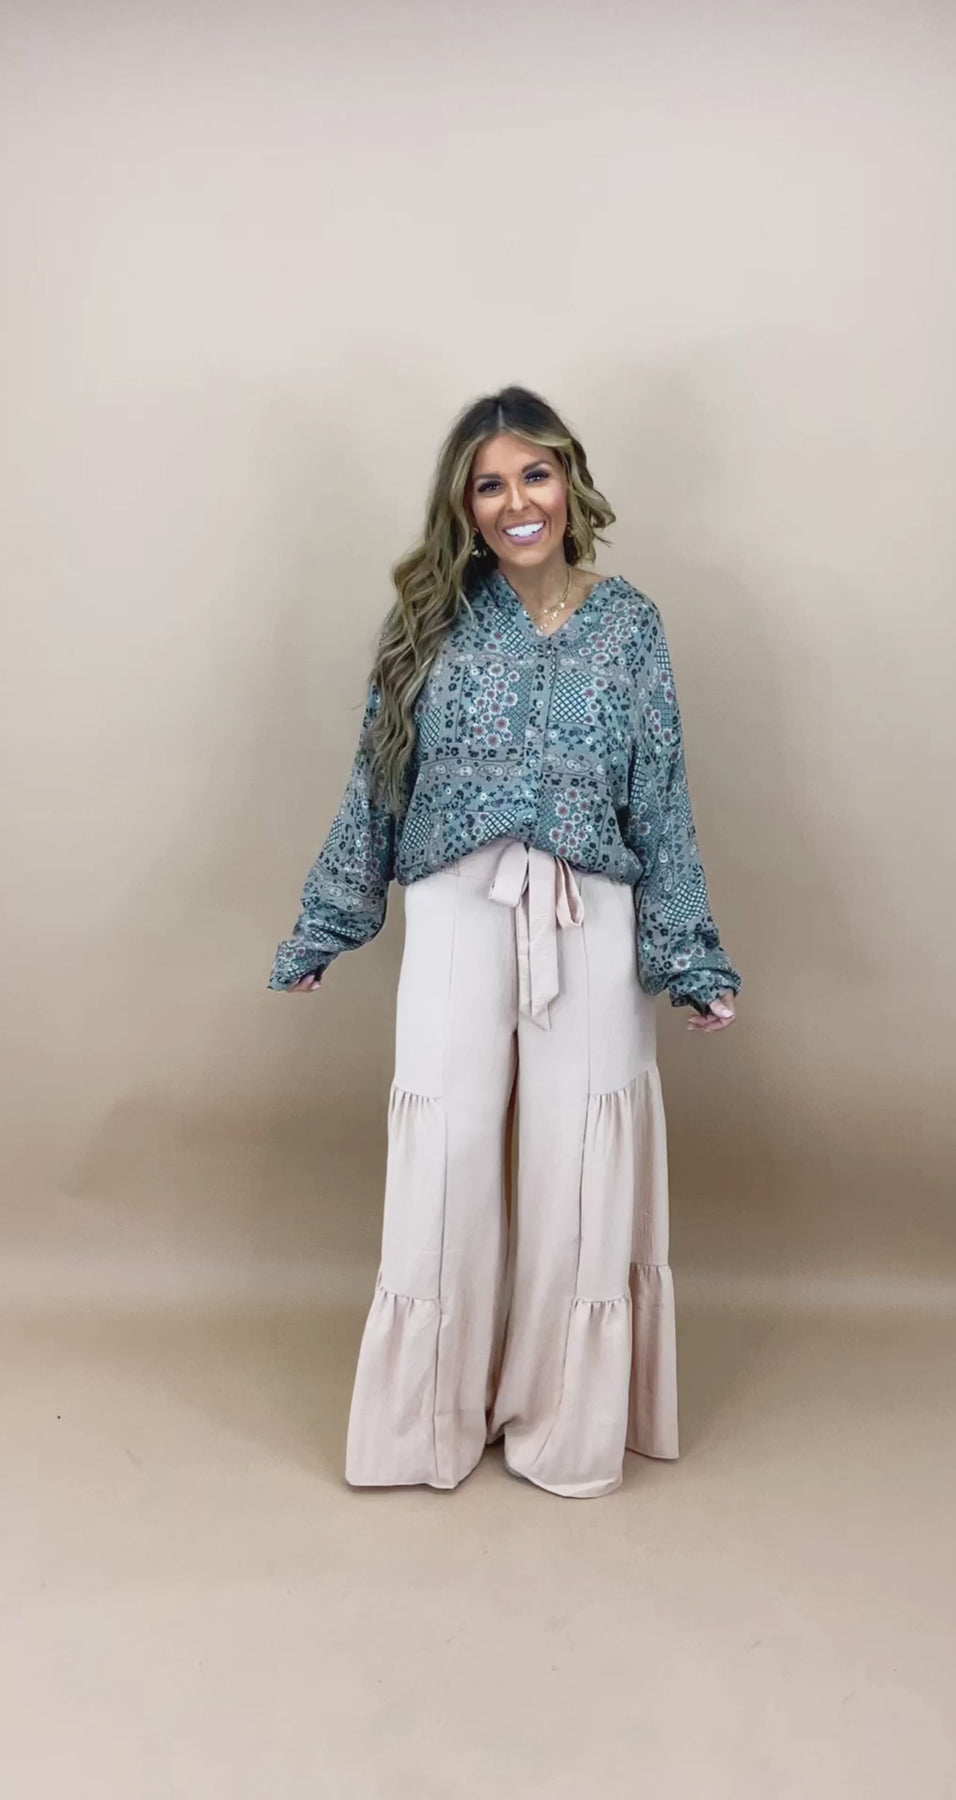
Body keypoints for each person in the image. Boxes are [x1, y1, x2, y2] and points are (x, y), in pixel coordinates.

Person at [268, 384, 741, 1499]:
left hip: (590, 912)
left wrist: (689, 959)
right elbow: (377, 779)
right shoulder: (427, 622)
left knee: (580, 1166)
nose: (516, 501)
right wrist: (327, 923)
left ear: (568, 482)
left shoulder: (629, 624)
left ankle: (564, 1427)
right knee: (444, 1157)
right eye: (489, 484)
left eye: (534, 474)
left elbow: (661, 797)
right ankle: (422, 1429)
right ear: (464, 506)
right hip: (455, 908)